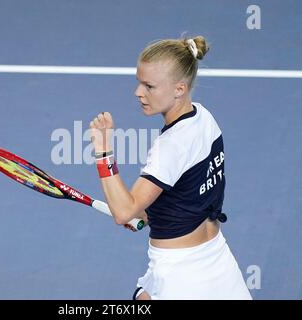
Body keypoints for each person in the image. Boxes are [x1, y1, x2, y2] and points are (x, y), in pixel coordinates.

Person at [89, 35, 252, 300]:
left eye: (149, 86)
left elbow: (123, 212)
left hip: (179, 273)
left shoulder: (169, 147)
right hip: (217, 258)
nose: (138, 92)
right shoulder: (204, 118)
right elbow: (191, 191)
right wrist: (151, 214)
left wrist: (103, 150)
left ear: (179, 88)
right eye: (139, 82)